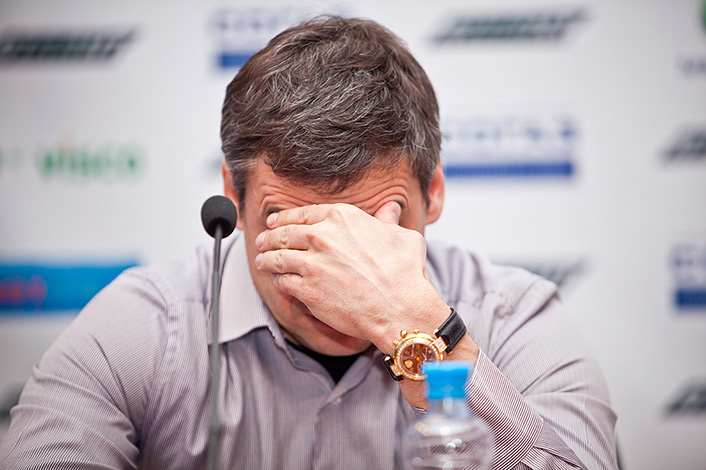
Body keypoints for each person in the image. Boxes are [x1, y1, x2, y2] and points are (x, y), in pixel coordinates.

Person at [0, 15, 618, 470]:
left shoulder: (515, 318)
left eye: (373, 229)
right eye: (291, 228)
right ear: (234, 198)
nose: (332, 277)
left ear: (433, 192)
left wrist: (418, 329)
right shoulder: (145, 329)